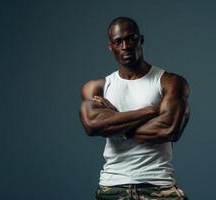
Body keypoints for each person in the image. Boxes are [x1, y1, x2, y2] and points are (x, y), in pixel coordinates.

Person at [79, 17, 190, 200]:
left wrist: (115, 119)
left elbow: (169, 129)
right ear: (111, 47)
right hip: (112, 186)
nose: (125, 46)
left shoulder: (169, 82)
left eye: (130, 39)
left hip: (158, 185)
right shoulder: (97, 87)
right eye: (118, 41)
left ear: (141, 39)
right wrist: (149, 111)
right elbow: (93, 125)